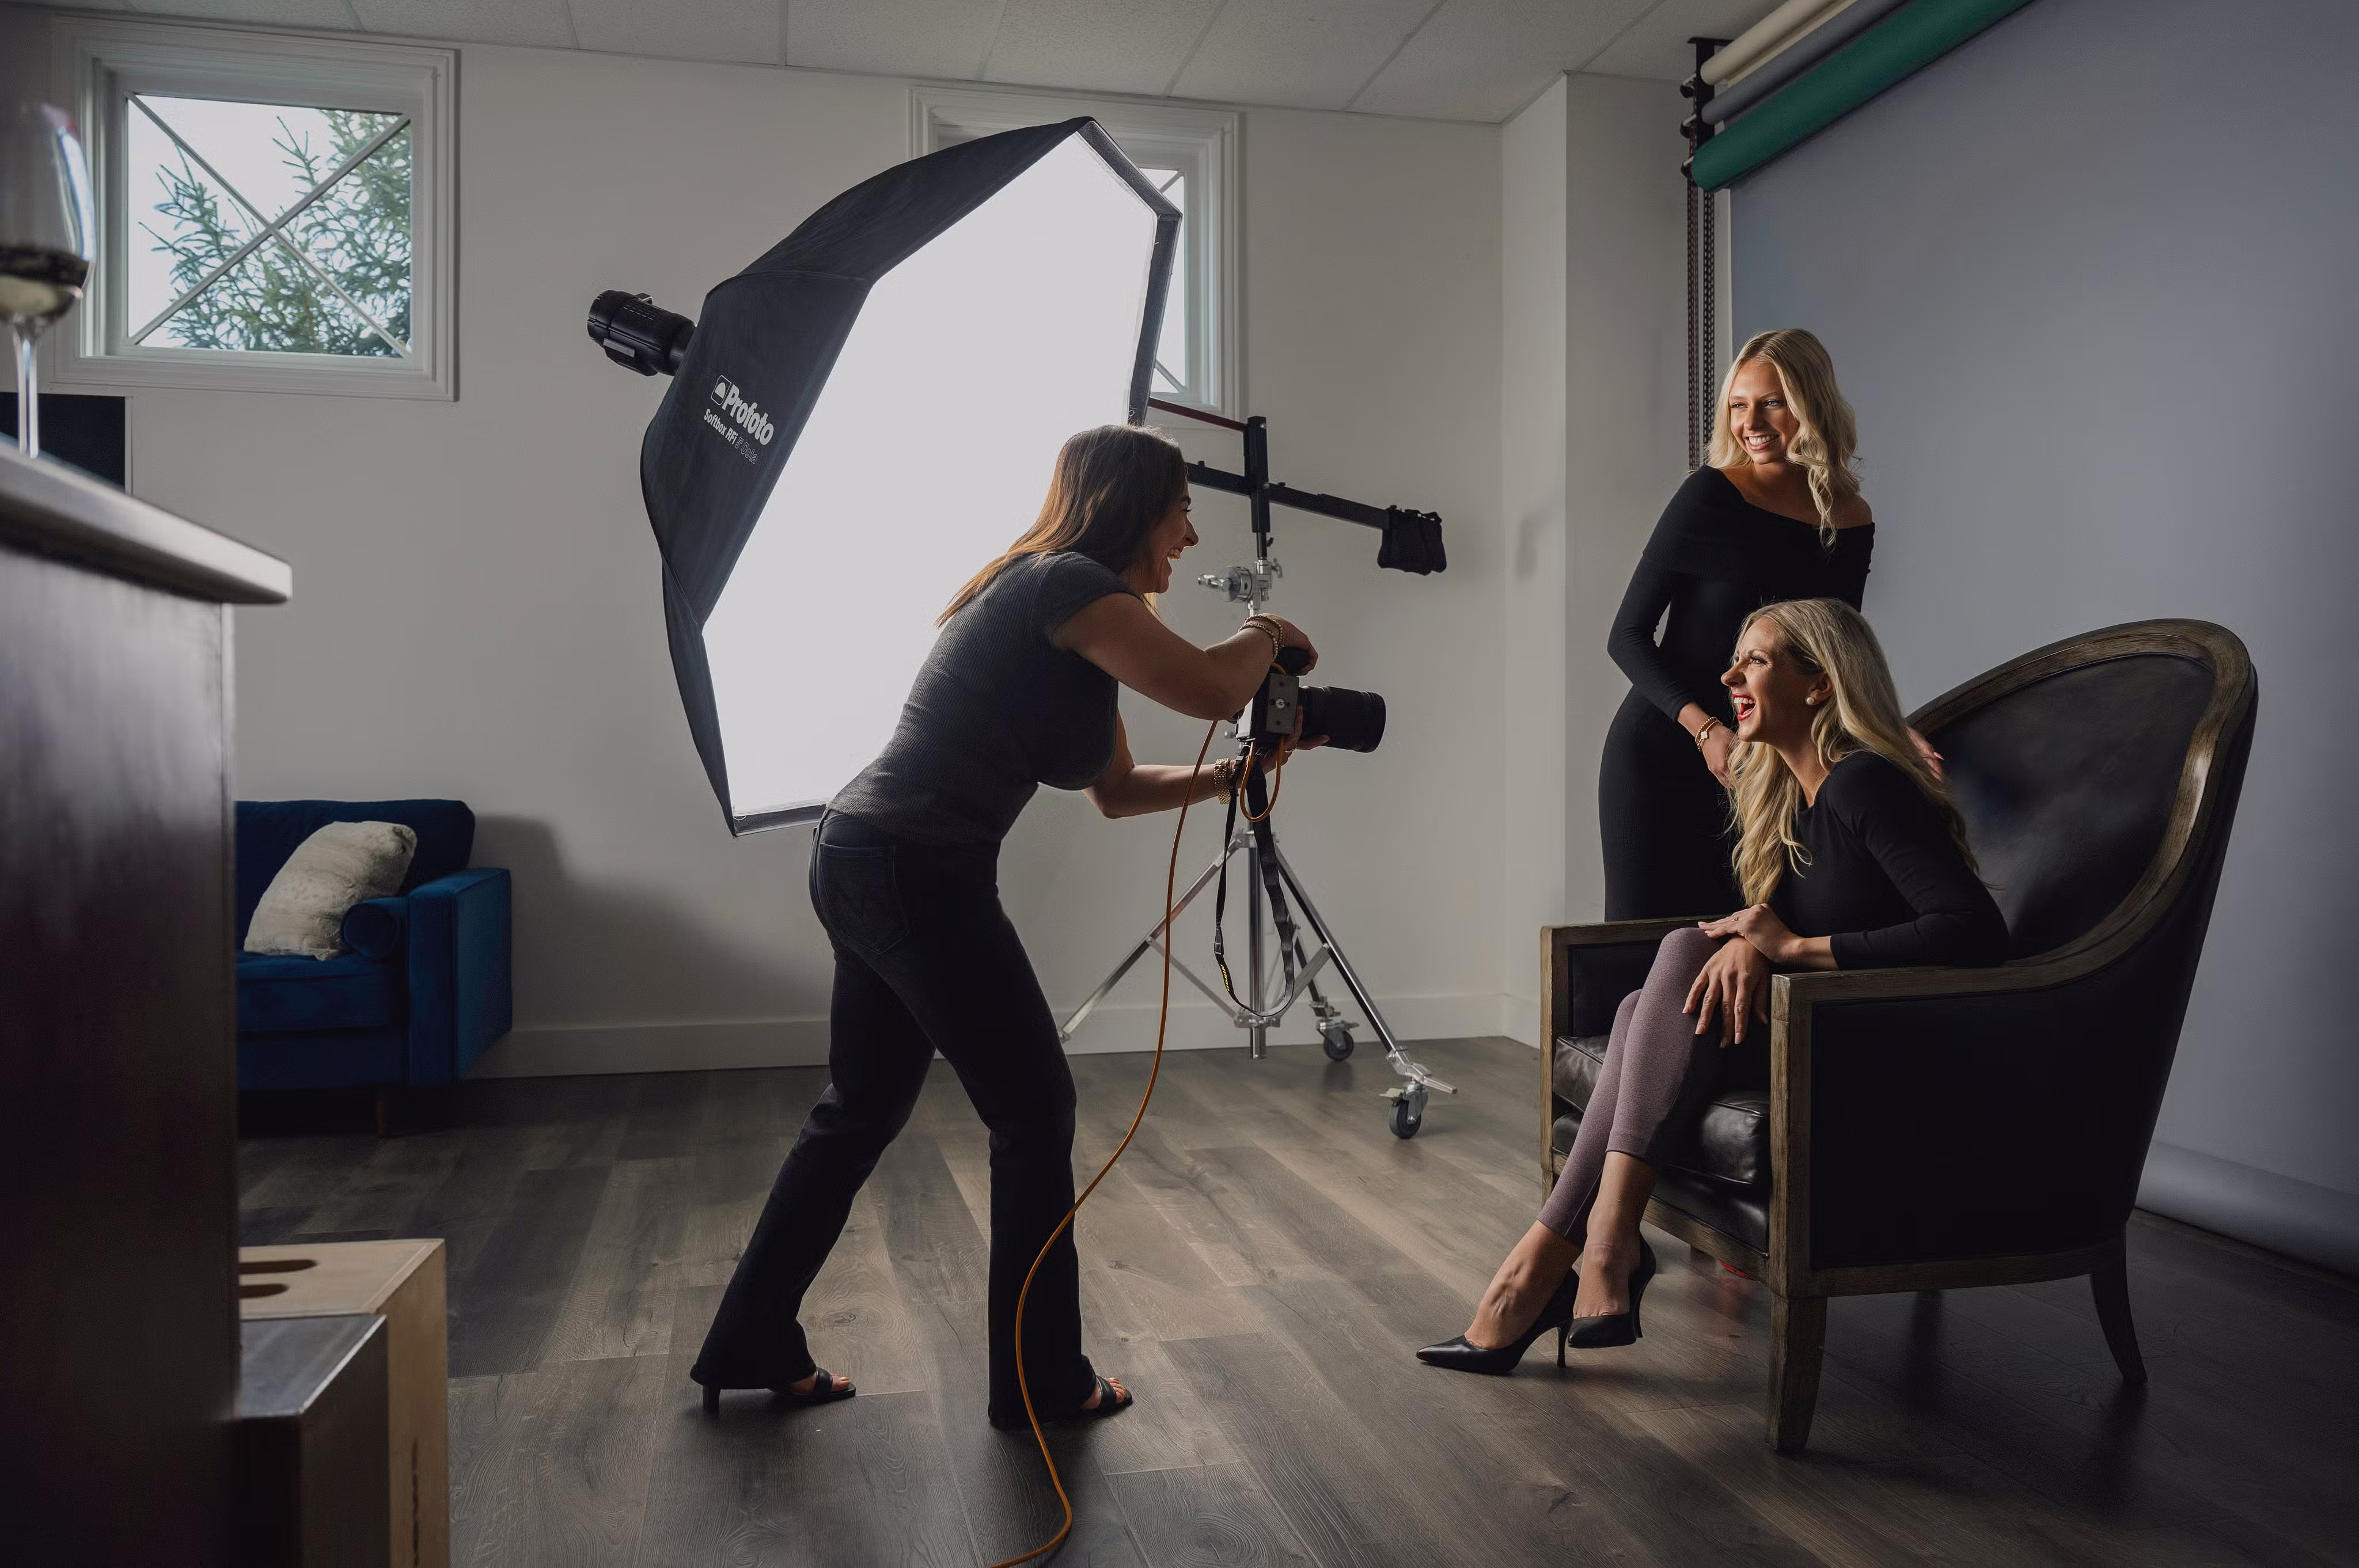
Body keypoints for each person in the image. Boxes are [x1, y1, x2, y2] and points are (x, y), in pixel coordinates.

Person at [691, 424, 1317, 1425]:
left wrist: (1237, 777)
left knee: (861, 1109)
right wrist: (1269, 635)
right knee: (1032, 1115)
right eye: (1183, 509)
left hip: (874, 854)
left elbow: (1113, 790)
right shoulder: (1062, 587)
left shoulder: (1076, 612)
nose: (1191, 536)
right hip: (910, 866)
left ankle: (751, 1336)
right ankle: (1039, 1381)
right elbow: (1209, 684)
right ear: (1134, 505)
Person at [1419, 597, 2005, 1374]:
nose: (1729, 675)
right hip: (1809, 1027)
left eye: (1755, 660)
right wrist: (1758, 945)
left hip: (1870, 1045)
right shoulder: (1790, 796)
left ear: (1821, 684)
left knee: (1676, 954)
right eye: (1735, 659)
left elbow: (1974, 930)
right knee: (1647, 996)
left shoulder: (1865, 785)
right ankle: (1569, 1259)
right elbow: (1786, 920)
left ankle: (1576, 1256)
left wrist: (1792, 945)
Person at [1601, 328, 1902, 920]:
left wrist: (1888, 730)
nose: (1751, 422)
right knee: (1639, 952)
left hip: (1768, 766)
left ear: (1811, 404)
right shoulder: (1709, 495)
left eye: (1772, 401)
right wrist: (1707, 731)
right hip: (1663, 752)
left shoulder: (1847, 517)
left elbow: (1837, 655)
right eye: (1738, 405)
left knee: (1746, 947)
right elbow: (1627, 637)